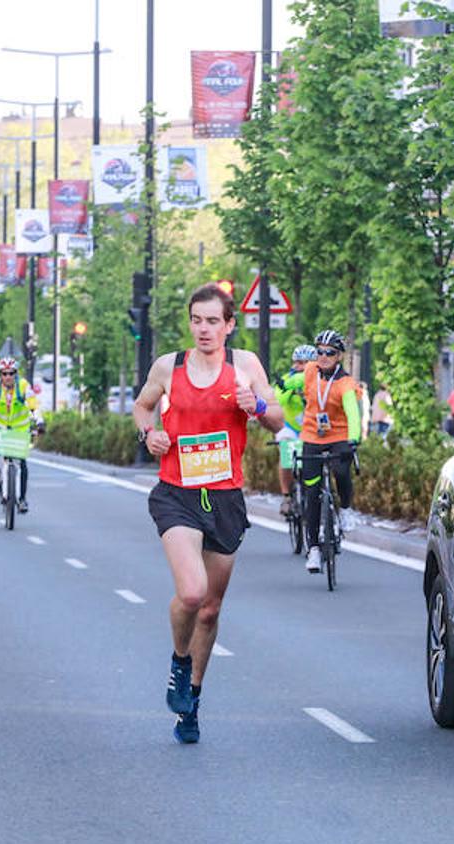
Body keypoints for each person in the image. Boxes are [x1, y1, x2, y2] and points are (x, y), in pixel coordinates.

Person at [134, 282, 283, 744]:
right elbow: (142, 408)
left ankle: (192, 701)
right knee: (193, 593)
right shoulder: (169, 367)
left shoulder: (245, 367)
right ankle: (180, 664)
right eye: (197, 320)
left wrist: (256, 405)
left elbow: (279, 418)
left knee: (211, 609)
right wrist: (149, 435)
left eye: (213, 321)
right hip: (177, 493)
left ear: (229, 325)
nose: (204, 329)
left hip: (224, 499)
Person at [298, 329, 362, 573]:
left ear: (339, 356)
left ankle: (345, 509)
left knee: (342, 471)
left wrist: (353, 439)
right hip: (312, 436)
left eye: (330, 353)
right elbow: (294, 380)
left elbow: (353, 413)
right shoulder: (309, 371)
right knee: (311, 492)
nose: (323, 356)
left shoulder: (345, 383)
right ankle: (313, 549)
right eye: (320, 352)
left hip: (339, 436)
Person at [0, 356, 43, 514]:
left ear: (16, 373)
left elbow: (34, 406)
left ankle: (22, 499)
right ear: (0, 375)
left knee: (22, 463)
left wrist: (40, 422)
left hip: (19, 428)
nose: (8, 377)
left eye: (11, 373)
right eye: (4, 373)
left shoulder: (23, 386)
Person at [273, 344, 317, 516]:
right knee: (286, 451)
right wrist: (290, 389)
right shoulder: (286, 379)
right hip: (290, 427)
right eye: (298, 363)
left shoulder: (320, 380)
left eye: (307, 363)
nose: (302, 367)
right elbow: (277, 401)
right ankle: (287, 496)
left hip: (313, 429)